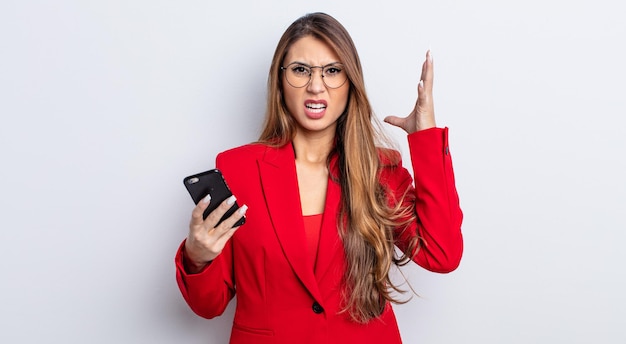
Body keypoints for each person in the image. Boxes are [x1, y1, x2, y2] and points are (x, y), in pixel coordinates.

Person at [175, 12, 463, 344]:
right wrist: (198, 256)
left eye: (332, 71)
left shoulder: (379, 169)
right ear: (280, 80)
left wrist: (425, 138)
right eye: (300, 70)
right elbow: (208, 306)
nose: (315, 85)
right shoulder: (238, 169)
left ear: (349, 81)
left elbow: (442, 254)